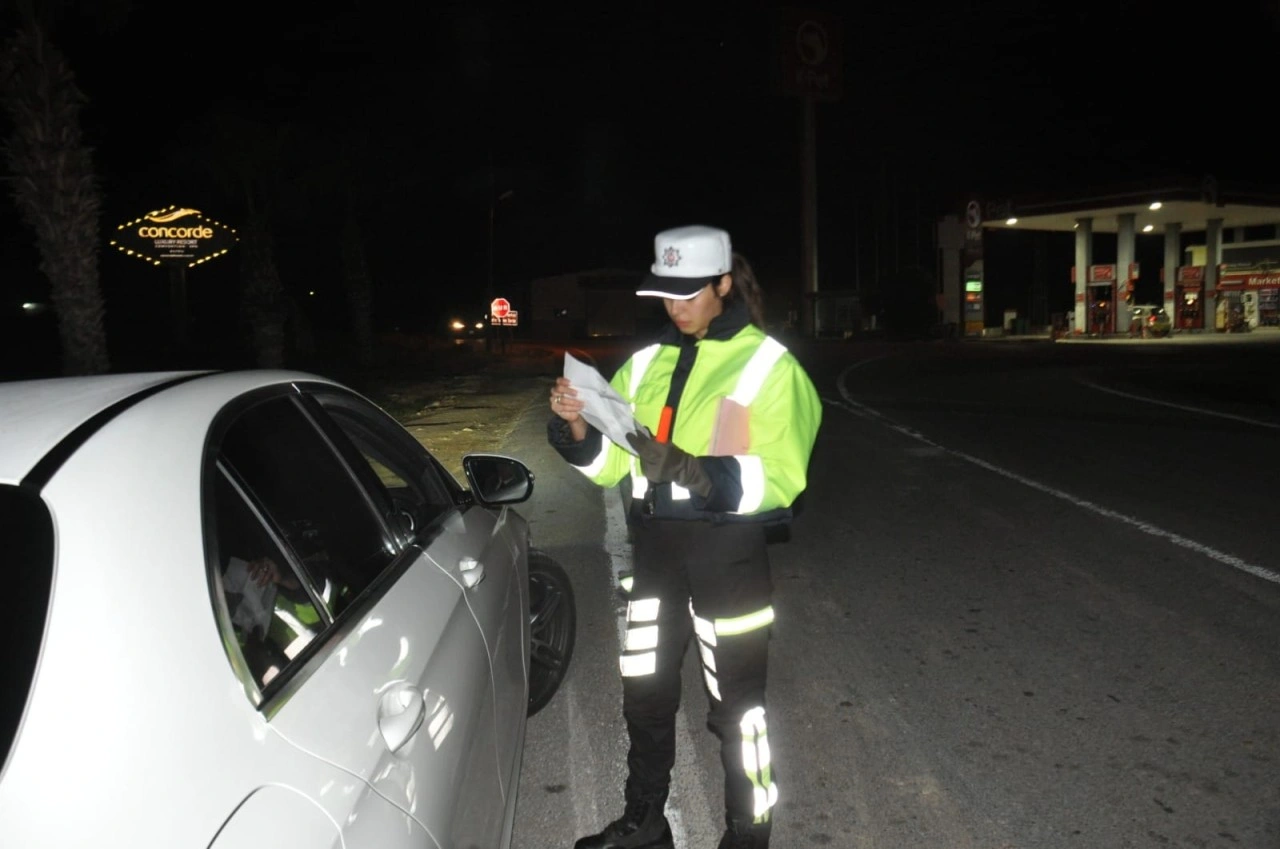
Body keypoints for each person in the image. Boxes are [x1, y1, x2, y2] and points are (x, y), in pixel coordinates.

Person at [547, 224, 822, 849]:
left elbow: (784, 478)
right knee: (644, 693)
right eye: (666, 296)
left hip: (728, 555)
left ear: (724, 284)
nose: (675, 308)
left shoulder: (770, 366)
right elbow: (611, 466)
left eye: (688, 293)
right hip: (656, 557)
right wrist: (578, 430)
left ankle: (747, 836)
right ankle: (645, 822)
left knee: (738, 713)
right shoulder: (647, 362)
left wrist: (698, 472)